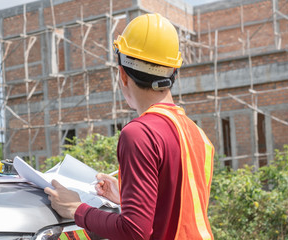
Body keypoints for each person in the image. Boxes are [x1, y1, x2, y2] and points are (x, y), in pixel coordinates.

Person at [45, 13, 214, 240]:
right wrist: (127, 199)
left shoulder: (140, 134)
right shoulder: (198, 135)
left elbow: (134, 231)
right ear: (174, 72)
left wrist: (75, 208)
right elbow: (175, 213)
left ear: (122, 74)